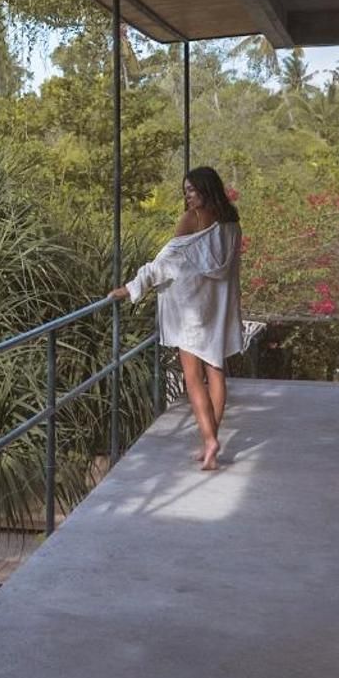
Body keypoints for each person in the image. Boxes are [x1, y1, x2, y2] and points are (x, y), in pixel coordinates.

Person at [110, 166, 244, 470]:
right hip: (218, 308)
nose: (188, 197)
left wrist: (131, 288)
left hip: (192, 312)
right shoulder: (232, 225)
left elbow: (167, 263)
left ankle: (209, 440)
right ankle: (210, 439)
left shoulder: (192, 219)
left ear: (206, 190)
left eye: (192, 191)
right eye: (185, 192)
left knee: (193, 378)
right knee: (216, 371)